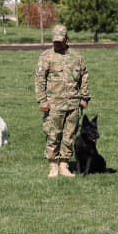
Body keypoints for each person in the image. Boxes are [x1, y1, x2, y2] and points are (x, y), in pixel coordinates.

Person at [34, 24, 89, 178]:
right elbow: (39, 80)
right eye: (55, 41)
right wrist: (42, 100)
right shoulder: (46, 57)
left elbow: (84, 76)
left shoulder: (77, 57)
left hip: (73, 103)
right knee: (53, 134)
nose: (57, 44)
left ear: (67, 39)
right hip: (54, 104)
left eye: (60, 41)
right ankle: (53, 165)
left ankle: (64, 164)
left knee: (69, 135)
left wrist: (84, 97)